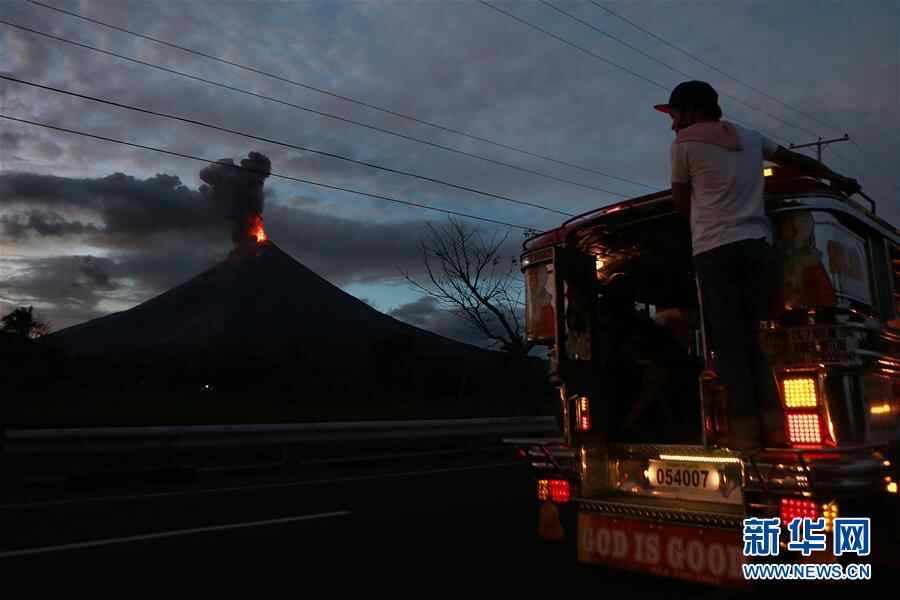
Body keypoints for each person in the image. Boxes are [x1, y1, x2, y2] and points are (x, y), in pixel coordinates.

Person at [654, 81, 860, 450]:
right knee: (757, 341)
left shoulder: (683, 146)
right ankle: (776, 431)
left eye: (675, 115)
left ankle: (746, 439)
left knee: (729, 346)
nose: (673, 125)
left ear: (691, 111)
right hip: (758, 248)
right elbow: (795, 160)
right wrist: (836, 178)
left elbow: (680, 205)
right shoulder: (749, 138)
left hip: (715, 251)